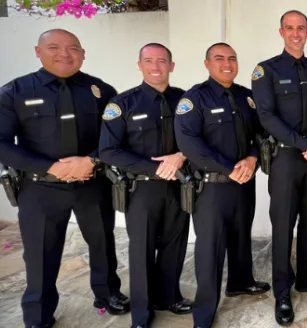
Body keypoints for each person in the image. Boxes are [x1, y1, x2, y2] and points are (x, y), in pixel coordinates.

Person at [0, 28, 128, 328]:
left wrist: (92, 160)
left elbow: (118, 135)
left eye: (73, 48)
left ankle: (107, 293)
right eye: (54, 47)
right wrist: (49, 167)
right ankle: (38, 312)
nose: (65, 54)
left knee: (102, 244)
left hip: (92, 184)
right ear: (38, 51)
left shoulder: (100, 91)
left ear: (83, 54)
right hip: (40, 189)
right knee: (41, 254)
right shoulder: (15, 92)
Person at [251, 9, 307, 326]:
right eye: (290, 28)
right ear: (281, 32)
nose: (296, 33)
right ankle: (282, 293)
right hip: (286, 158)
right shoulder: (267, 70)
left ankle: (306, 279)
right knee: (283, 225)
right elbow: (266, 116)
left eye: (301, 28)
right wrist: (305, 145)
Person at [98, 43, 193, 328]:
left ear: (172, 66)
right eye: (149, 61)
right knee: (141, 250)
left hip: (180, 185)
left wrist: (182, 155)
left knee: (175, 245)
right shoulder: (122, 104)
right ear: (139, 65)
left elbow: (201, 137)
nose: (156, 66)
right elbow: (108, 151)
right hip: (141, 189)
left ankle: (169, 297)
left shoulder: (186, 100)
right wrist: (156, 167)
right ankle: (141, 312)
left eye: (162, 61)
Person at [173, 42, 263, 328]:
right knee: (210, 248)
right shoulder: (194, 99)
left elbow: (261, 135)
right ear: (207, 64)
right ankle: (205, 310)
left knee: (240, 236)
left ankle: (240, 282)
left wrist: (252, 158)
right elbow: (190, 144)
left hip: (243, 182)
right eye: (219, 58)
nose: (227, 63)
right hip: (211, 187)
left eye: (232, 58)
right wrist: (229, 168)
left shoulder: (247, 98)